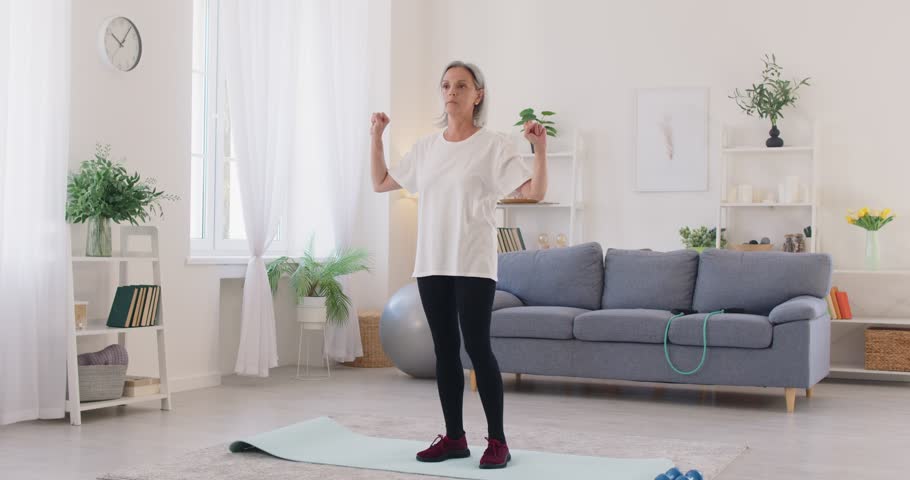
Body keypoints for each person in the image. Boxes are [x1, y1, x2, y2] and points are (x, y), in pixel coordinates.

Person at [370, 61, 547, 470]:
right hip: (432, 263)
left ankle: (498, 442)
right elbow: (380, 182)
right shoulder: (427, 149)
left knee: (478, 349)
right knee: (444, 351)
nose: (452, 91)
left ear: (477, 95)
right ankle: (454, 438)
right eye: (447, 85)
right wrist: (376, 137)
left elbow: (535, 191)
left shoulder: (494, 146)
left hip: (473, 263)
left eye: (461, 85)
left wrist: (540, 150)